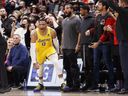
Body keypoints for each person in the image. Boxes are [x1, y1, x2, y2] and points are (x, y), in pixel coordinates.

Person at [30, 18, 63, 92]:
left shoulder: (52, 31)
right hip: (39, 51)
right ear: (37, 25)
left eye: (43, 24)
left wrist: (58, 52)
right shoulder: (34, 33)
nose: (41, 26)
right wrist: (34, 61)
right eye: (40, 24)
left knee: (56, 62)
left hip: (49, 49)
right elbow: (32, 48)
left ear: (47, 24)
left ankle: (62, 83)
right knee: (40, 68)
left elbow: (56, 42)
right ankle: (40, 84)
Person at [89, 0, 115, 91]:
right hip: (97, 44)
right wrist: (91, 32)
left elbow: (106, 33)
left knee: (108, 64)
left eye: (99, 4)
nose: (97, 6)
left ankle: (111, 85)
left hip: (106, 44)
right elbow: (96, 29)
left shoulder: (109, 16)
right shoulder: (98, 16)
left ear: (104, 6)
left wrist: (98, 43)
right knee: (95, 64)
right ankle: (95, 84)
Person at [107, 0, 128, 94]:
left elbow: (112, 5)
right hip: (123, 41)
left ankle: (126, 87)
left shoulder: (124, 11)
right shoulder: (123, 13)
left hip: (124, 42)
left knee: (125, 66)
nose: (118, 4)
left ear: (123, 3)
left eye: (119, 2)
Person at [61, 3, 81, 92]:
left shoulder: (77, 19)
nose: (66, 10)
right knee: (66, 66)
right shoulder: (64, 20)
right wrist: (61, 45)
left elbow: (80, 33)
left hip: (72, 47)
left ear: (72, 9)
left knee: (73, 67)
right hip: (65, 47)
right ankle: (69, 84)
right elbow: (63, 34)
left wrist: (78, 44)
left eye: (68, 8)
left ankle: (76, 85)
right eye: (65, 8)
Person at [79, 4, 95, 91]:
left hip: (88, 45)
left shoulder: (92, 19)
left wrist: (91, 31)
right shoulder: (82, 20)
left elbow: (97, 29)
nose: (80, 11)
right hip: (83, 45)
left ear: (86, 10)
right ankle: (88, 83)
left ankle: (91, 84)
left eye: (81, 9)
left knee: (89, 65)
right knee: (86, 66)